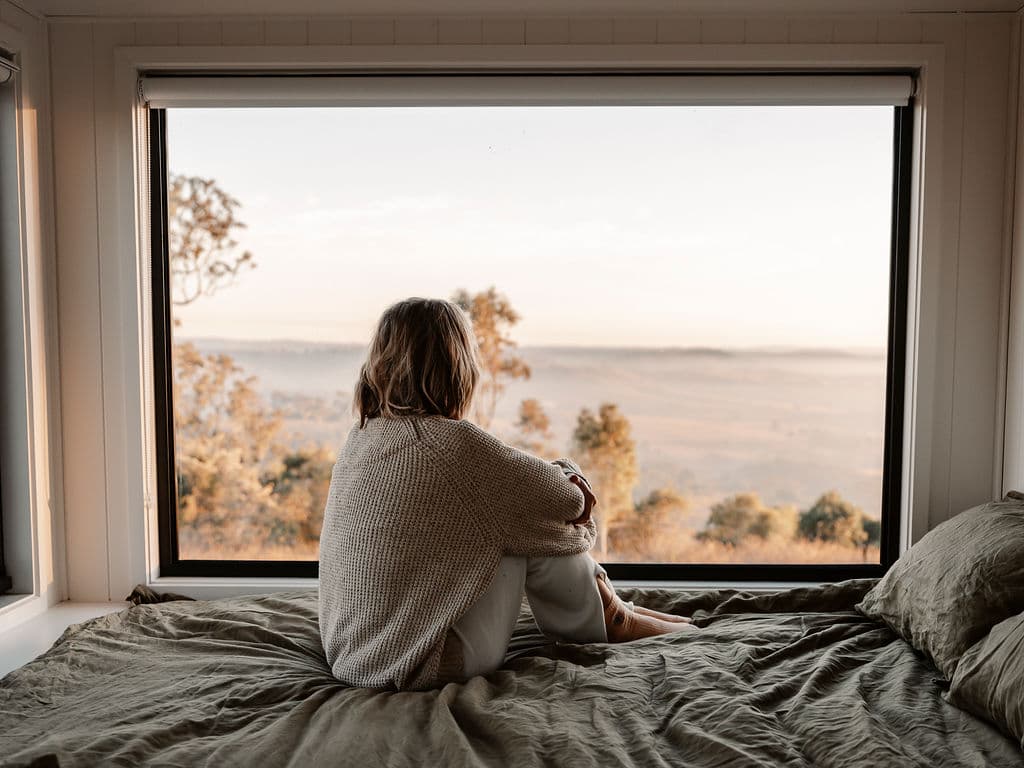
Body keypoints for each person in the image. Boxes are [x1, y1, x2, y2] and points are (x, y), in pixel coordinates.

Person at [318, 297, 695, 691]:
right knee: (521, 523)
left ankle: (613, 612)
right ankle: (610, 618)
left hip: (353, 657)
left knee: (512, 514)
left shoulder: (361, 437)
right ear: (458, 365)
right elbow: (571, 503)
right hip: (424, 665)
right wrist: (566, 474)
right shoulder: (452, 445)